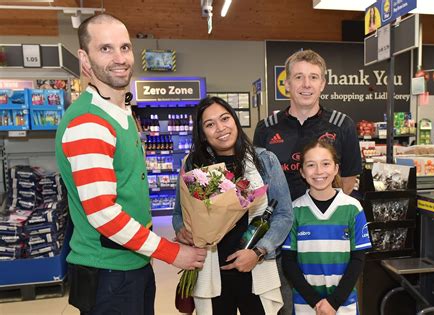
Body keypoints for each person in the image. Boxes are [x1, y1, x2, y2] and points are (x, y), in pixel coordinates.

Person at [55, 13, 206, 314]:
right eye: (105, 49)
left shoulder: (120, 111)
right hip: (109, 273)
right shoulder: (89, 122)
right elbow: (103, 214)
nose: (120, 58)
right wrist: (171, 252)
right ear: (84, 58)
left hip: (130, 263)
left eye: (124, 47)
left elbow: (126, 193)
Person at [253, 49, 362, 315]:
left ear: (323, 83)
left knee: (329, 306)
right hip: (278, 242)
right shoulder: (267, 128)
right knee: (283, 308)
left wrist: (322, 219)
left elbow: (348, 180)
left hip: (327, 243)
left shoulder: (342, 125)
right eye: (299, 77)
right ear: (286, 83)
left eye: (313, 77)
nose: (306, 84)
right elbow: (256, 184)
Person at [173, 96, 293, 314]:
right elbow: (178, 214)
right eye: (210, 124)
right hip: (212, 271)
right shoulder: (194, 165)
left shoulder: (264, 160)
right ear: (202, 134)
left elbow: (284, 215)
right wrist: (182, 230)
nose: (220, 128)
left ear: (235, 120)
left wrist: (258, 251)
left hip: (254, 268)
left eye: (225, 118)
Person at [282, 139, 371, 315]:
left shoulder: (353, 208)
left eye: (325, 164)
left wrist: (334, 302)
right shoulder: (293, 210)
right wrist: (316, 302)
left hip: (343, 304)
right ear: (302, 172)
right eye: (311, 165)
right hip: (306, 305)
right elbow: (289, 263)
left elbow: (358, 260)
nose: (319, 171)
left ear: (336, 168)